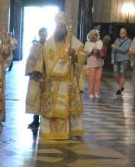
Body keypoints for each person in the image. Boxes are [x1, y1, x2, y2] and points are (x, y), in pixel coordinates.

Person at [33, 12, 84, 140]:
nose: (60, 29)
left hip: (68, 81)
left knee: (66, 106)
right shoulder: (49, 43)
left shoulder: (72, 41)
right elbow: (42, 62)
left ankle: (67, 131)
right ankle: (49, 131)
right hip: (51, 83)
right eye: (58, 27)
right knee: (50, 108)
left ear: (66, 28)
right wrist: (41, 78)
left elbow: (84, 59)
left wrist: (75, 54)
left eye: (62, 27)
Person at [25, 27, 47, 130]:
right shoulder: (35, 46)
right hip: (36, 76)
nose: (43, 36)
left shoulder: (49, 46)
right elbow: (30, 60)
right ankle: (35, 120)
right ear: (39, 35)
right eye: (41, 34)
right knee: (35, 98)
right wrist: (31, 71)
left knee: (45, 98)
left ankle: (45, 120)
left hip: (46, 76)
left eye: (44, 34)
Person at [83, 29, 104, 99]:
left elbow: (101, 49)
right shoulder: (87, 43)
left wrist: (97, 50)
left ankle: (96, 93)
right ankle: (90, 93)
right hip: (91, 63)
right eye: (94, 35)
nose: (95, 36)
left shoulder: (100, 42)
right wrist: (91, 52)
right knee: (91, 78)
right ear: (90, 36)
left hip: (100, 62)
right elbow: (85, 54)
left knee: (98, 78)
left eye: (96, 35)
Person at [110, 27, 131, 95]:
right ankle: (121, 86)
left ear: (126, 33)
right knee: (115, 74)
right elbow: (113, 50)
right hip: (116, 59)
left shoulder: (129, 41)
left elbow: (124, 50)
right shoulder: (117, 40)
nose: (121, 34)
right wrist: (112, 58)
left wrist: (116, 47)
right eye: (120, 33)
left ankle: (119, 89)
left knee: (122, 73)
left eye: (123, 33)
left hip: (124, 59)